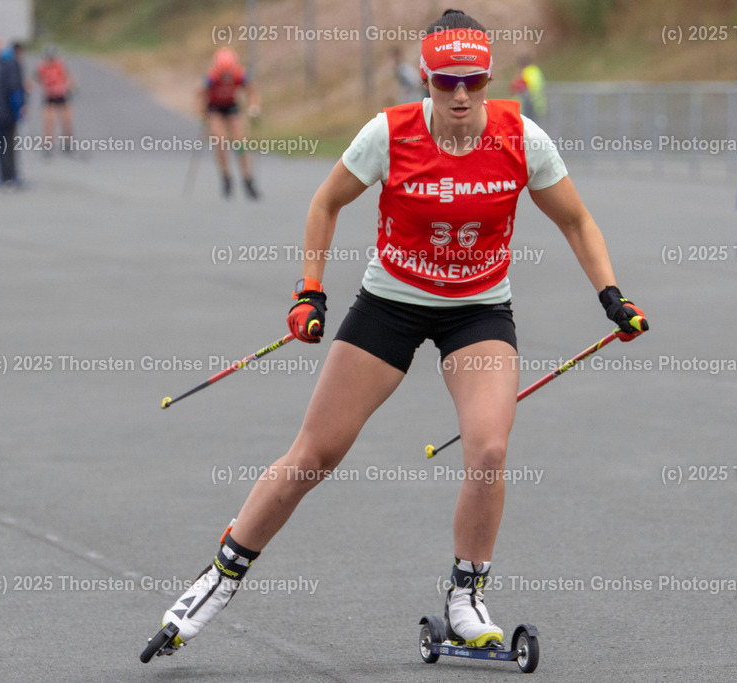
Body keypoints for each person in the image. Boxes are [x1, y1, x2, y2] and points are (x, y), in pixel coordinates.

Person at [146, 9, 646, 659]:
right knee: (314, 455)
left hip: (477, 311)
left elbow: (578, 221)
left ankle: (466, 596)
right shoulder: (390, 134)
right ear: (426, 80)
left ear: (489, 78)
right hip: (391, 303)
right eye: (445, 82)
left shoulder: (523, 139)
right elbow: (326, 202)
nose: (459, 96)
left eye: (471, 81)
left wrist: (612, 295)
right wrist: (309, 290)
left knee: (489, 448)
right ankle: (220, 576)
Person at [199, 47, 260, 199]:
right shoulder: (211, 77)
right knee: (220, 140)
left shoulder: (241, 74)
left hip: (232, 106)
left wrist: (254, 107)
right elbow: (200, 94)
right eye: (223, 74)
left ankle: (247, 178)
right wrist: (202, 112)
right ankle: (226, 176)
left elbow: (252, 91)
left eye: (229, 73)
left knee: (240, 142)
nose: (226, 77)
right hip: (214, 109)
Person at [0, 42, 26, 188]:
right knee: (8, 146)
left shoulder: (1, 65)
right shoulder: (12, 66)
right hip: (6, 114)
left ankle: (5, 176)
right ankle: (9, 177)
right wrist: (19, 109)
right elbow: (14, 90)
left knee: (1, 146)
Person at [34, 46, 76, 155]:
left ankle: (68, 143)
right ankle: (48, 145)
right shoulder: (41, 67)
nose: (50, 60)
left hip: (62, 94)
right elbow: (35, 80)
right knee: (49, 120)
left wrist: (69, 87)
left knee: (67, 120)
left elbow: (69, 78)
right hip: (49, 95)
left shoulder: (61, 65)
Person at [510, 54, 546, 123]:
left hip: (529, 104)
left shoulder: (526, 72)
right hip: (536, 104)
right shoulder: (535, 71)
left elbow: (519, 86)